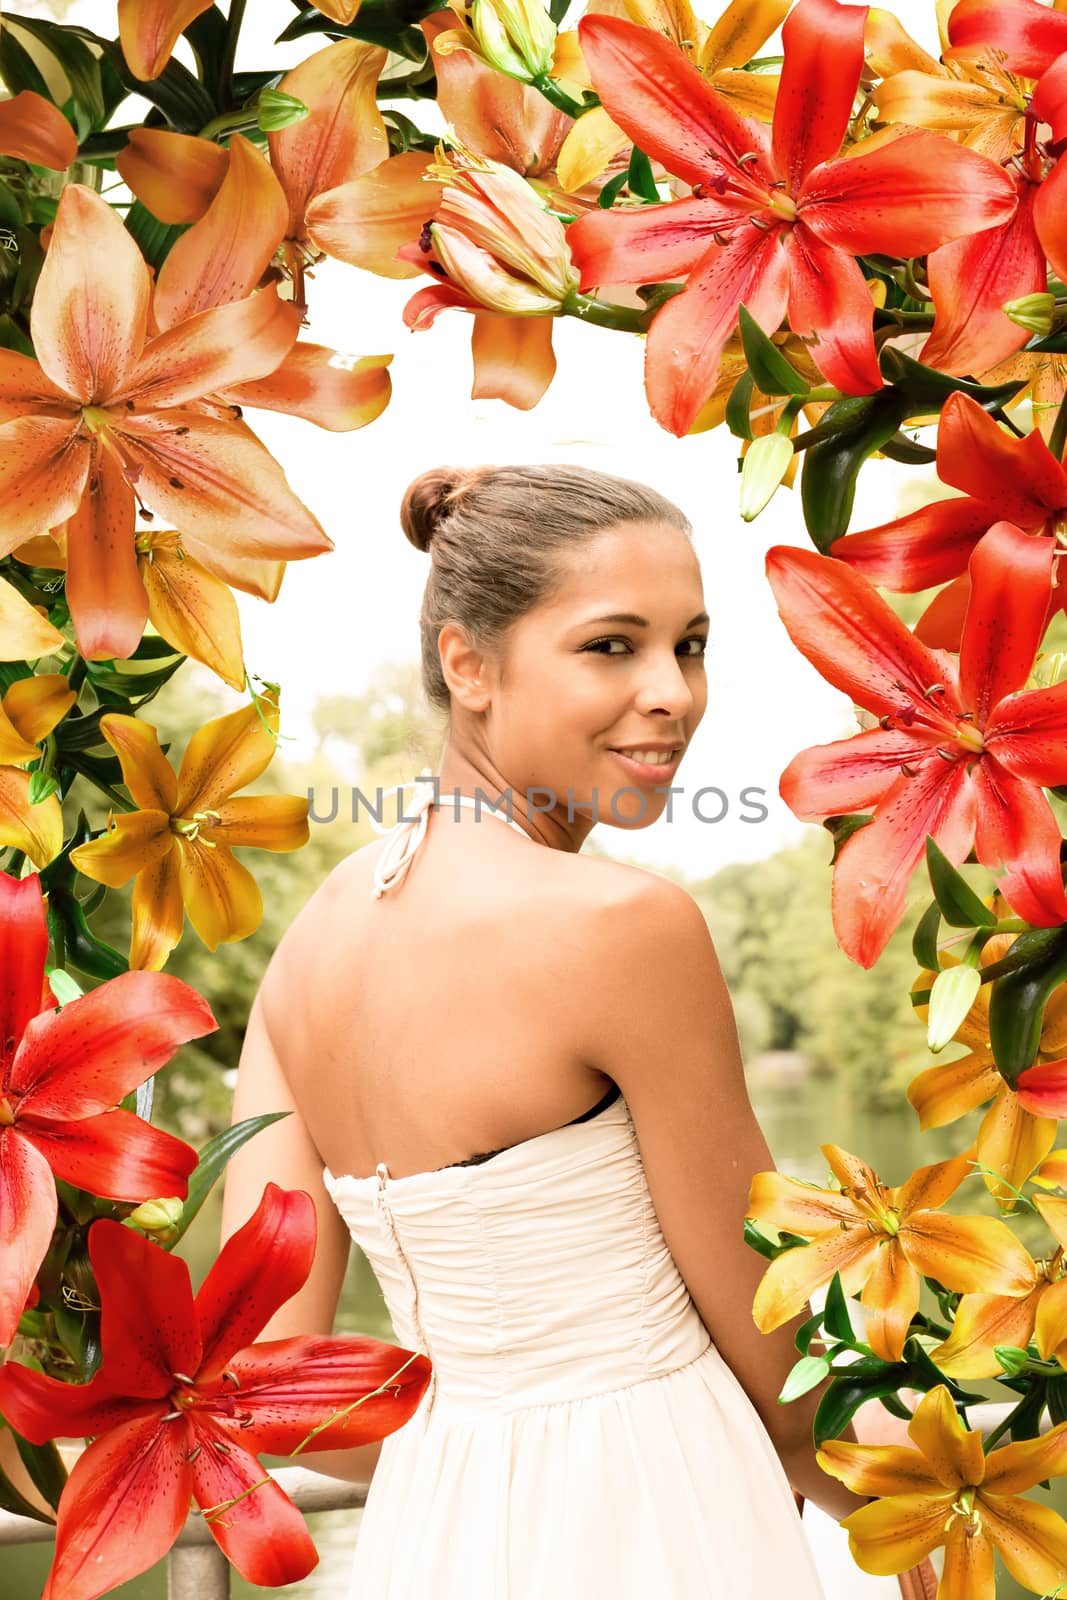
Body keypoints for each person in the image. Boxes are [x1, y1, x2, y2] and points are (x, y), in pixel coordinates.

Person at [218, 463, 902, 1598]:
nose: (671, 691)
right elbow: (778, 1355)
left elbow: (278, 1388)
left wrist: (488, 1467)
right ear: (467, 665)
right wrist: (934, 1523)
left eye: (688, 645)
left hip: (434, 1538)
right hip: (662, 1517)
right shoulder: (624, 926)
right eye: (611, 646)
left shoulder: (306, 949)